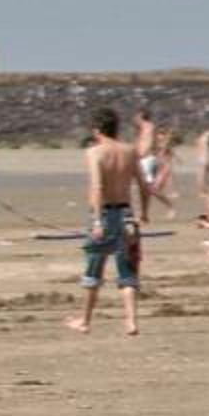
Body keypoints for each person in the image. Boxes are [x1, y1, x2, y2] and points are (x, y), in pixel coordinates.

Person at [69, 110, 143, 336]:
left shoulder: (94, 152)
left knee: (94, 269)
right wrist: (144, 213)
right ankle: (131, 322)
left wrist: (97, 220)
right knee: (127, 271)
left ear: (96, 130)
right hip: (127, 214)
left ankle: (85, 321)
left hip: (105, 213)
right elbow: (143, 184)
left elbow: (97, 187)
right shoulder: (130, 151)